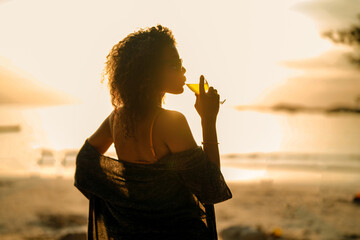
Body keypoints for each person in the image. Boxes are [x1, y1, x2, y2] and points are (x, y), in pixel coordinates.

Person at [74, 25, 232, 240]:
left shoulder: (116, 118)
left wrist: (124, 204)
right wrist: (208, 120)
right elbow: (211, 188)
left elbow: (85, 163)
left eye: (181, 64)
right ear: (150, 73)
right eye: (174, 65)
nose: (184, 70)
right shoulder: (172, 121)